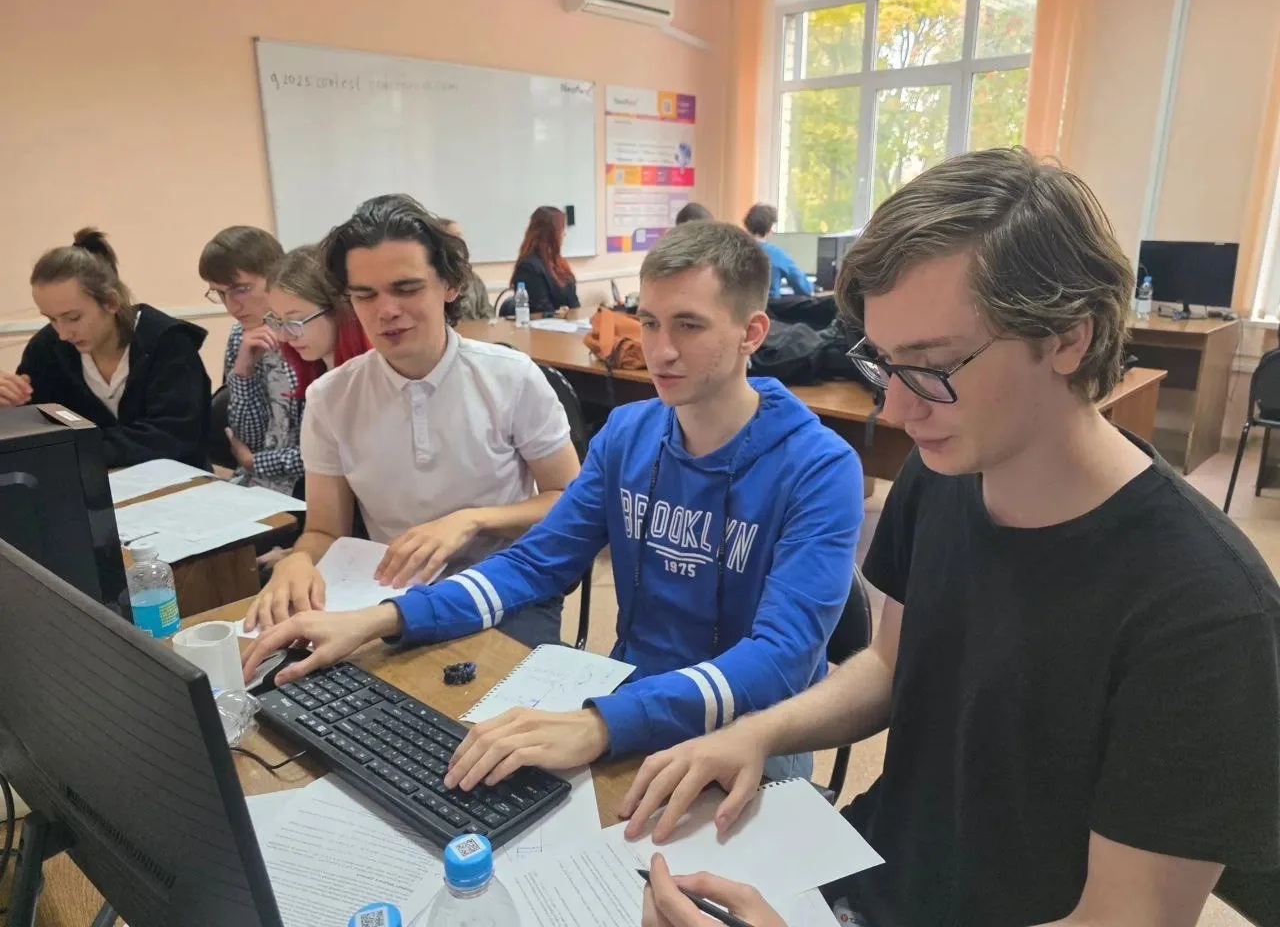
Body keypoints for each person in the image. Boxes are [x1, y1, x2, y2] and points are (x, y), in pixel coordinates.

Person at [621, 148, 1280, 927]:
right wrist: (757, 734)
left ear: (1068, 339)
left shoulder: (1208, 614)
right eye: (885, 364)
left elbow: (1125, 920)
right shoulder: (945, 471)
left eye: (932, 367)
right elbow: (894, 665)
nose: (897, 411)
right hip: (862, 874)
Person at [244, 220, 865, 783]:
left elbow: (782, 659)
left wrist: (602, 723)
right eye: (649, 322)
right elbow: (533, 563)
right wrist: (381, 619)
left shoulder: (819, 468)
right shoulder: (628, 435)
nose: (661, 350)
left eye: (689, 325)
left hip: (750, 729)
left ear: (751, 332)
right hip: (628, 697)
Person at [243, 194, 581, 648]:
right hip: (389, 591)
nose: (385, 311)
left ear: (450, 284)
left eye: (406, 289)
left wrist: (473, 520)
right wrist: (298, 560)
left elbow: (569, 501)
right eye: (365, 295)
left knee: (485, 686)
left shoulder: (511, 377)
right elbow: (324, 530)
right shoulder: (331, 397)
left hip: (506, 584)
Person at [0, 229, 211, 468]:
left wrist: (79, 450)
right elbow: (33, 433)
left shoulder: (169, 343)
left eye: (73, 317)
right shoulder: (46, 348)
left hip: (175, 479)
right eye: (51, 319)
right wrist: (9, 409)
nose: (63, 333)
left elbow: (173, 436)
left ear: (111, 302)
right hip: (89, 481)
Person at [199, 226, 298, 494]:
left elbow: (328, 452)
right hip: (257, 486)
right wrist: (243, 371)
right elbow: (248, 439)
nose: (232, 306)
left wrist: (256, 462)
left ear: (276, 276)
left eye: (241, 289)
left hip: (307, 488)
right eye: (220, 293)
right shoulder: (239, 337)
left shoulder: (307, 334)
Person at [263, 245, 371, 397]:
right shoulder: (313, 376)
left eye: (296, 321)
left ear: (338, 310)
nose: (284, 337)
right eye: (277, 320)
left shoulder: (375, 380)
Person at [501, 206, 580, 316]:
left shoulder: (559, 263)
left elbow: (574, 303)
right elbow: (541, 311)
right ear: (548, 234)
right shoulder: (528, 267)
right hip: (546, 325)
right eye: (561, 230)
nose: (564, 234)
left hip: (569, 323)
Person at [743, 203, 811, 298]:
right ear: (769, 228)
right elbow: (803, 287)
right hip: (768, 306)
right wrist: (814, 287)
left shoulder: (735, 251)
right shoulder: (775, 254)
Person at [440, 219, 493, 321]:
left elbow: (487, 312)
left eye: (461, 236)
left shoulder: (473, 278)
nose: (461, 241)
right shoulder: (439, 279)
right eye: (456, 236)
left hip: (478, 329)